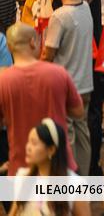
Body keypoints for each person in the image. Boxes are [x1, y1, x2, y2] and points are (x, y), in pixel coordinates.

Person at [0, 24, 84, 176]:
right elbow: (78, 112)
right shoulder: (58, 73)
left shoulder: (3, 81)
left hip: (20, 169)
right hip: (59, 167)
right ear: (32, 42)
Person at [43, 0, 94, 173]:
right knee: (83, 134)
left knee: (68, 136)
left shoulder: (60, 15)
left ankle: (71, 186)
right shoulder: (86, 7)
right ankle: (83, 178)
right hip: (85, 83)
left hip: (65, 85)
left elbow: (49, 52)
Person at [11, 119, 87, 216]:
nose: (28, 147)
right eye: (28, 142)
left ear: (51, 150)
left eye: (34, 143)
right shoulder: (23, 177)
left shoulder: (75, 184)